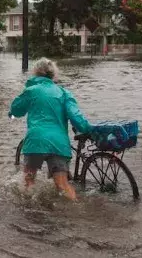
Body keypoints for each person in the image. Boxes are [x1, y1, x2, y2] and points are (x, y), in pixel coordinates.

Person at [9, 58, 93, 200]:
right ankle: (76, 211)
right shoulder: (64, 93)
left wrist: (11, 113)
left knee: (29, 181)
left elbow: (16, 110)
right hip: (58, 144)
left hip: (36, 141)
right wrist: (88, 129)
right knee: (63, 185)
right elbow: (75, 116)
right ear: (53, 75)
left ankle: (27, 214)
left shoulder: (30, 91)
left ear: (35, 73)